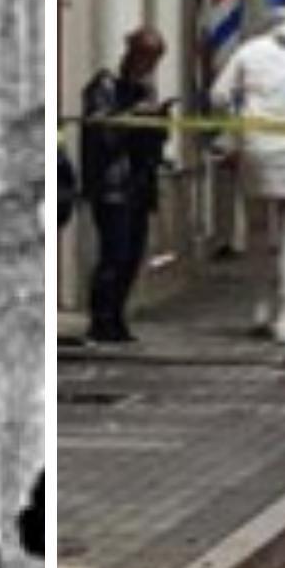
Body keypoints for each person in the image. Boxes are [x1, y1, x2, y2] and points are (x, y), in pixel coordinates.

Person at [212, 5, 285, 345]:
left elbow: (218, 94)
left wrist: (235, 120)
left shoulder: (251, 51)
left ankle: (260, 305)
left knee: (259, 229)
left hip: (257, 144)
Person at [78, 27, 169, 343]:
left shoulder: (144, 90)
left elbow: (152, 142)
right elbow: (102, 134)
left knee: (132, 255)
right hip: (112, 184)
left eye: (154, 61)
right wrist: (132, 117)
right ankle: (101, 319)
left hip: (138, 184)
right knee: (114, 254)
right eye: (145, 58)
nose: (149, 67)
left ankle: (117, 317)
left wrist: (158, 122)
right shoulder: (104, 86)